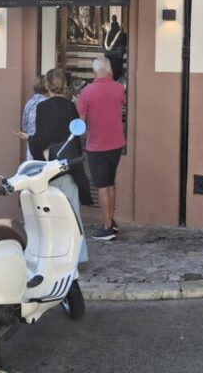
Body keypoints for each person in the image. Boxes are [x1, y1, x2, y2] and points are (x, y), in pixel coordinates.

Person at [18, 68, 92, 261]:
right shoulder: (70, 106)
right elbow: (75, 135)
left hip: (50, 167)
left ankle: (53, 254)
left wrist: (30, 140)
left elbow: (42, 139)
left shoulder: (43, 108)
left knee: (50, 213)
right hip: (69, 164)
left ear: (48, 86)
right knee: (73, 211)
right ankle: (78, 256)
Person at [77, 56, 126, 241]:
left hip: (97, 145)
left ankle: (107, 227)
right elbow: (121, 103)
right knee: (110, 183)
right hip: (116, 143)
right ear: (109, 70)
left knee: (103, 186)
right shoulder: (118, 88)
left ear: (94, 72)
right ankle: (111, 221)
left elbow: (80, 119)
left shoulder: (87, 91)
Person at [19, 75, 47, 160]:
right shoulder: (49, 103)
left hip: (31, 144)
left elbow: (24, 126)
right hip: (46, 145)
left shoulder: (29, 103)